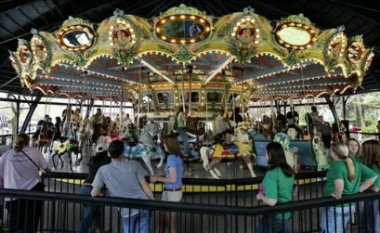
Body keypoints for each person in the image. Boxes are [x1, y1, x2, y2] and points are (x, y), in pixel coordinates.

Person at [91, 140, 154, 233]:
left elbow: (94, 193)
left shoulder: (103, 171)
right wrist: (152, 202)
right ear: (122, 152)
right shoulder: (134, 164)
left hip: (126, 210)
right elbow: (145, 186)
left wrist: (101, 194)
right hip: (143, 206)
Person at [319, 142, 378, 233]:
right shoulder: (355, 163)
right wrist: (360, 189)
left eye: (330, 150)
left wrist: (337, 194)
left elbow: (340, 183)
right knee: (341, 229)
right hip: (350, 204)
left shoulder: (337, 165)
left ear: (334, 153)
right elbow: (373, 176)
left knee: (332, 230)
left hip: (336, 205)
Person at [0, 133, 51, 233]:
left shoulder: (7, 154)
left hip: (13, 195)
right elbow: (46, 168)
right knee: (31, 223)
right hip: (33, 193)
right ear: (28, 141)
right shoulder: (35, 152)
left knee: (15, 224)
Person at [256, 142, 295, 233]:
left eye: (266, 153)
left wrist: (260, 196)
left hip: (274, 216)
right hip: (286, 214)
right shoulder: (288, 169)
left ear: (270, 155)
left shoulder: (272, 174)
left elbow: (272, 201)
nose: (265, 155)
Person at [151, 134, 184, 233]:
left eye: (165, 143)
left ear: (170, 144)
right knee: (163, 220)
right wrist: (162, 177)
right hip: (170, 192)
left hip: (172, 193)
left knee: (170, 223)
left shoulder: (171, 158)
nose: (163, 144)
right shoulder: (178, 157)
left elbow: (173, 179)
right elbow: (173, 176)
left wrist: (157, 178)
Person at [78, 143, 111, 233]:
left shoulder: (92, 160)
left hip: (84, 188)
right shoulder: (108, 161)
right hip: (94, 191)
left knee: (95, 213)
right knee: (87, 218)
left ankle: (100, 230)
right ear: (106, 151)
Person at [357, 140, 380, 233]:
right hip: (370, 198)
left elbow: (376, 188)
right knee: (364, 222)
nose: (360, 150)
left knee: (371, 223)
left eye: (363, 148)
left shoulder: (374, 165)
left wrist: (360, 186)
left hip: (374, 198)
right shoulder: (368, 163)